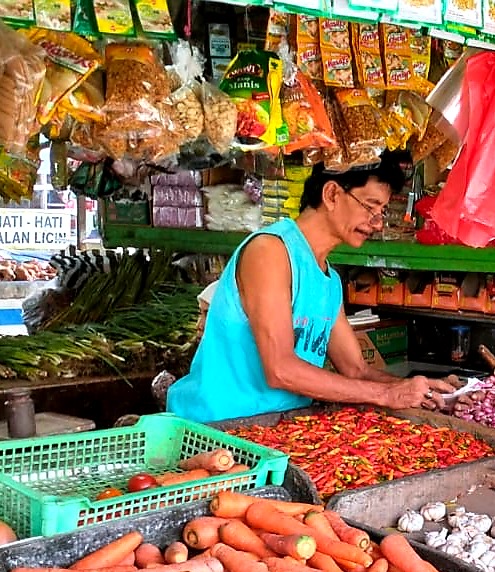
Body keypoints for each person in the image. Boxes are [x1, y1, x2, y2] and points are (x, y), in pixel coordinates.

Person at [167, 154, 454, 423]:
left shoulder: (329, 281)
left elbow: (356, 370)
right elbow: (280, 369)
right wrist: (386, 395)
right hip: (218, 429)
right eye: (370, 206)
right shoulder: (271, 251)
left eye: (381, 211)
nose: (377, 223)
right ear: (331, 194)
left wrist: (423, 391)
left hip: (277, 429)